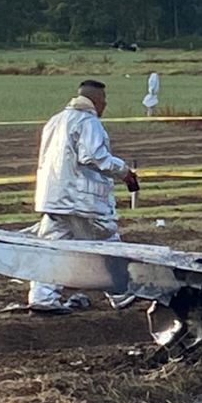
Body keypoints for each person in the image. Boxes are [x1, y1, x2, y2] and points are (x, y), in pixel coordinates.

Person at [28, 80, 139, 311]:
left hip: (53, 199)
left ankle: (42, 298)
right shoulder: (89, 122)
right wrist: (124, 171)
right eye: (104, 100)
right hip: (82, 201)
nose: (105, 105)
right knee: (108, 245)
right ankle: (121, 295)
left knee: (51, 249)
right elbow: (94, 157)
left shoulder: (54, 121)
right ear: (96, 101)